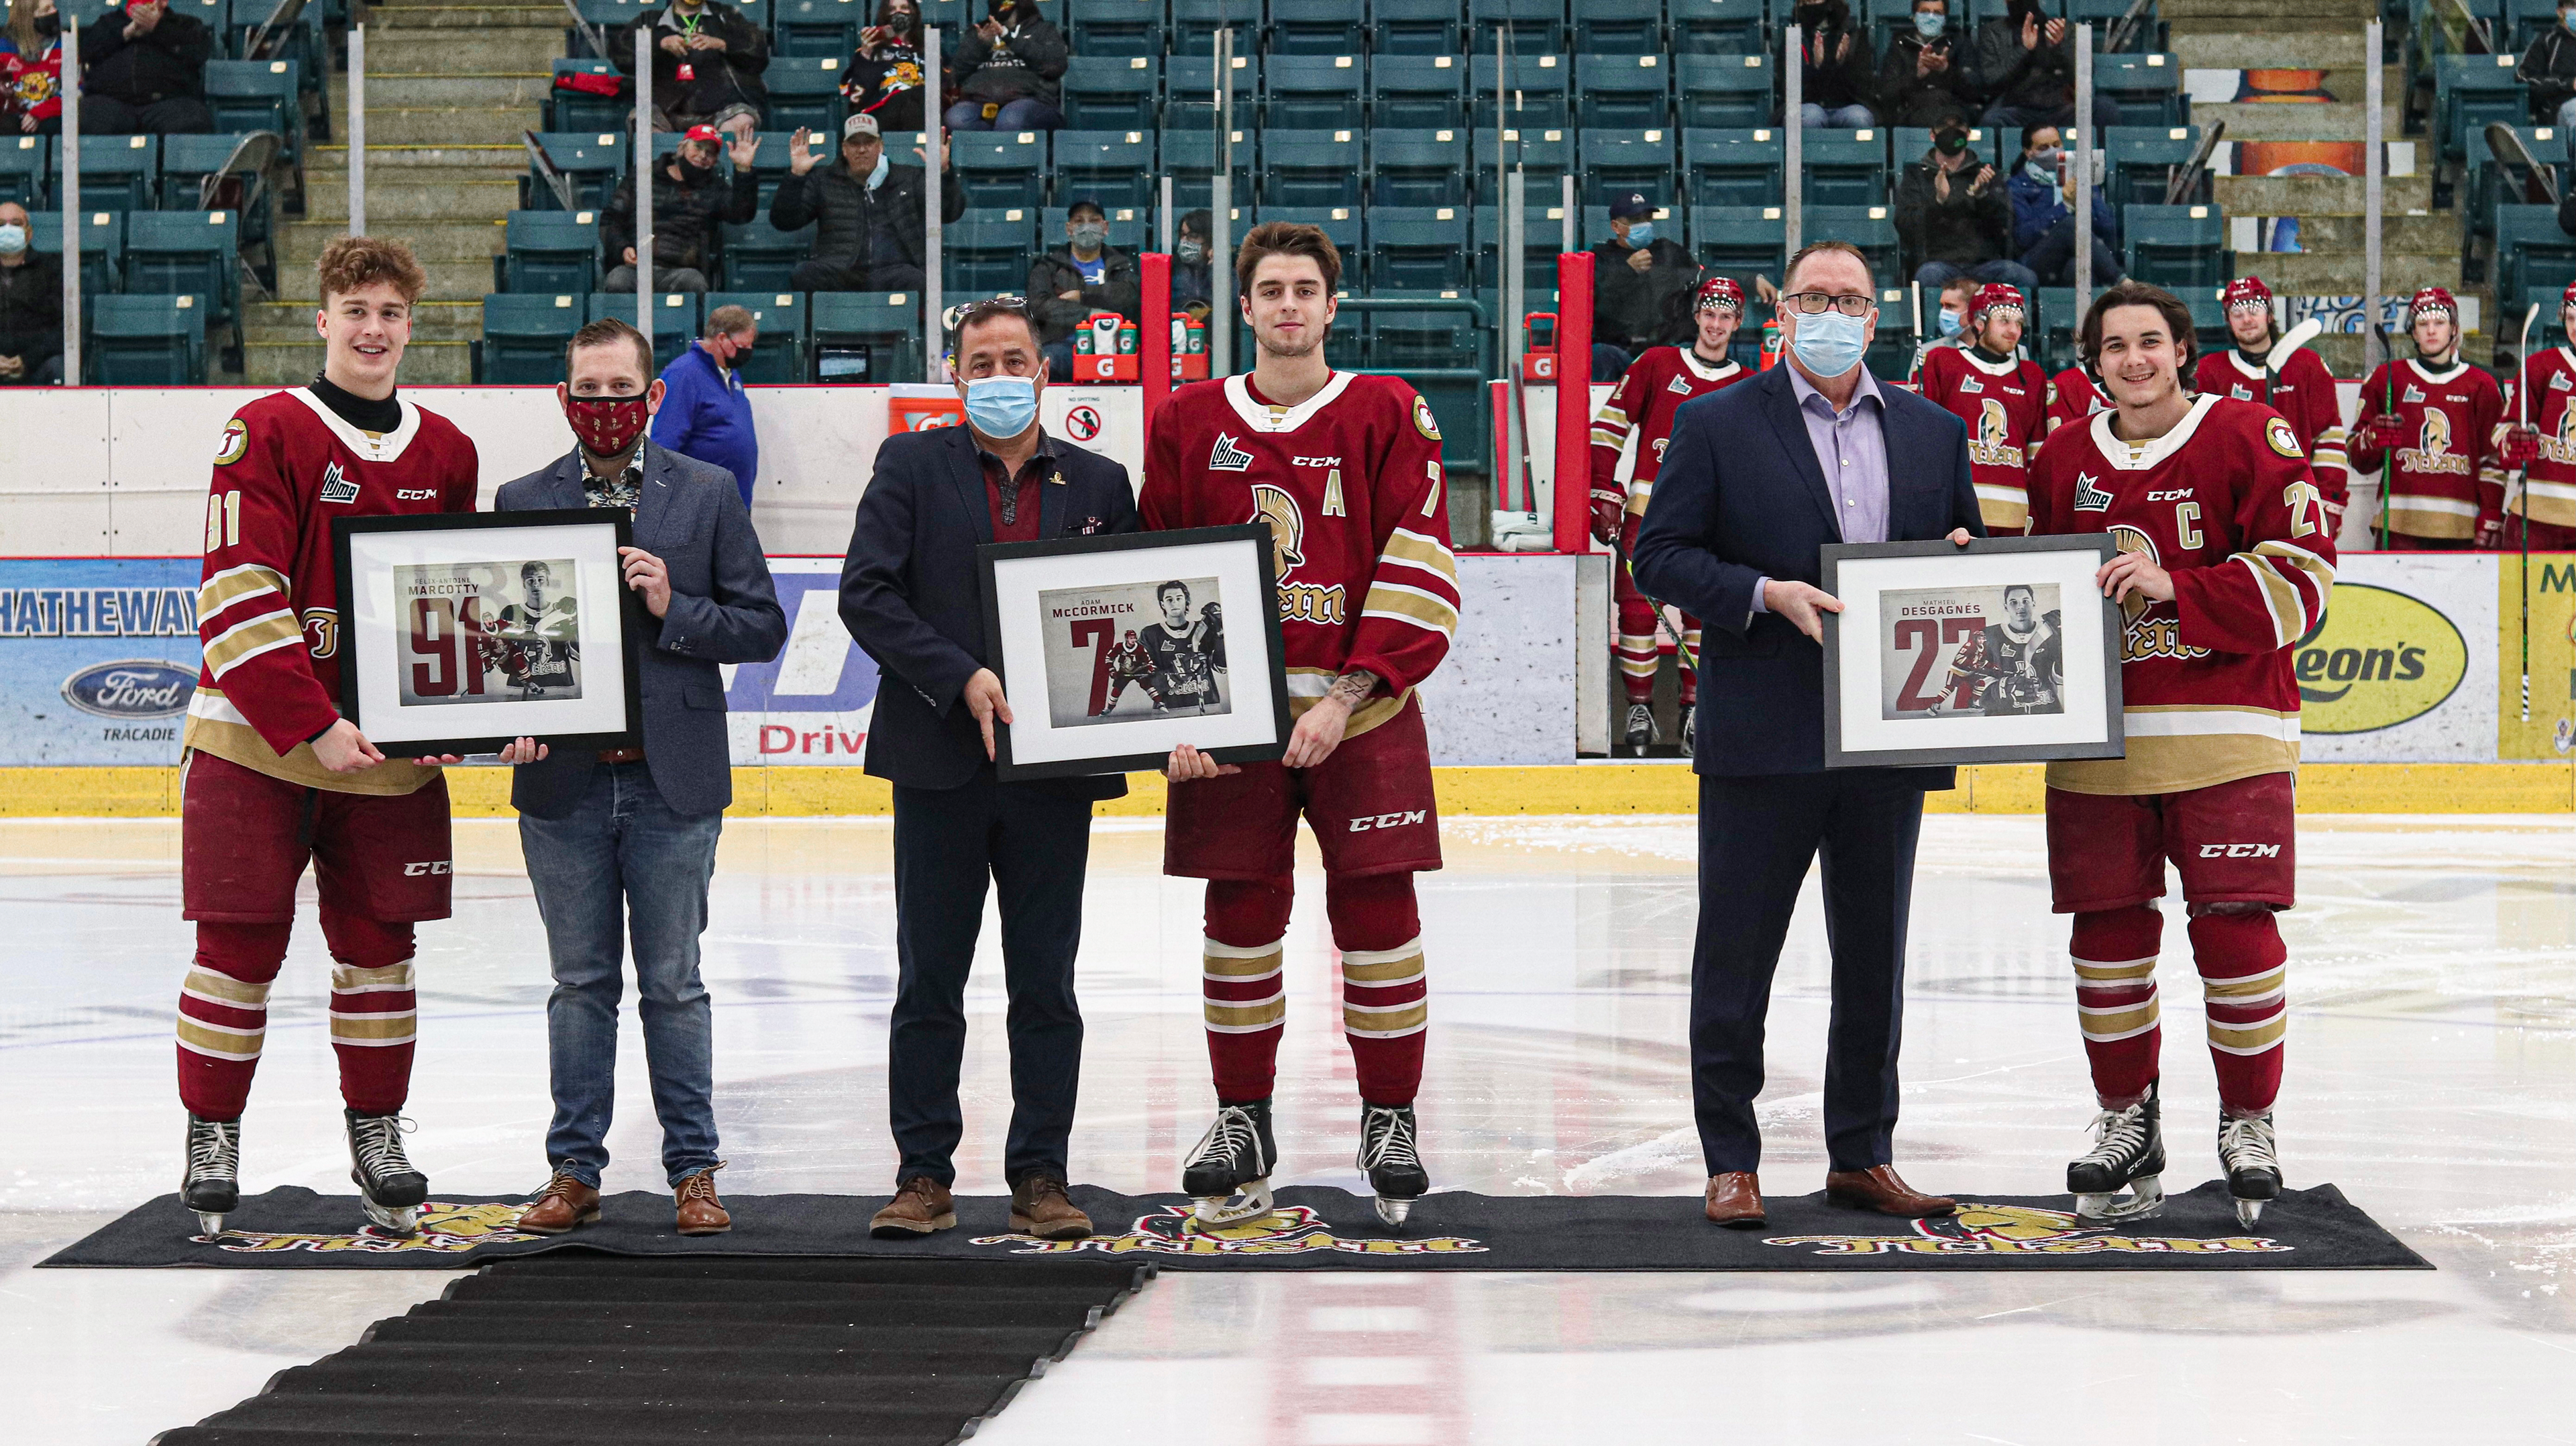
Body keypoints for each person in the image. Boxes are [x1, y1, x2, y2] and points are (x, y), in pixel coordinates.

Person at [1628, 240, 1982, 1231]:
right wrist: (1758, 592)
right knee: (1736, 953)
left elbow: (1963, 548)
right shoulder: (1714, 423)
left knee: (1875, 954)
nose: (1832, 311)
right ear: (1780, 312)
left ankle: (1862, 1152)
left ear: (1877, 319)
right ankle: (1730, 1158)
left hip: (1889, 732)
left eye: (1851, 298)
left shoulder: (1934, 430)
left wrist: (1963, 559)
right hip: (1763, 731)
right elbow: (1657, 555)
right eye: (1813, 295)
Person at [1150, 222, 1460, 1230]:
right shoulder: (1187, 419)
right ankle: (1242, 1115)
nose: (1288, 305)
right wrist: (1176, 713)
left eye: (1305, 290)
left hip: (1362, 714)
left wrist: (1346, 695)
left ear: (1334, 306)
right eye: (1270, 290)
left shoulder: (1387, 410)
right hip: (1230, 724)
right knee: (1238, 919)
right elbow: (1159, 569)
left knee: (1379, 920)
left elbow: (1421, 560)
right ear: (1243, 310)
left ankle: (1390, 1117)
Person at [172, 237, 480, 1239]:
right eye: (356, 309)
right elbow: (234, 586)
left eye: (391, 311)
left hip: (385, 760)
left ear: (410, 324)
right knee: (239, 944)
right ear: (322, 319)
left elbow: (454, 602)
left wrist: (481, 715)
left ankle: (377, 1131)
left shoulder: (448, 449)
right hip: (257, 746)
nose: (374, 328)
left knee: (381, 948)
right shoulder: (265, 428)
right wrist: (312, 719)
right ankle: (212, 1132)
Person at [2027, 279, 2335, 1229]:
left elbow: (2307, 583)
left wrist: (2177, 587)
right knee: (2107, 944)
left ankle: (2249, 1121)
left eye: (2149, 340)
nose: (2133, 359)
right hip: (2097, 746)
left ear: (2180, 347)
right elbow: (2031, 592)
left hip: (2228, 737)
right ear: (2095, 360)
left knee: (2237, 939)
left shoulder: (2251, 434)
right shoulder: (2062, 454)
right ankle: (2129, 1117)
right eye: (2114, 345)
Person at [837, 297, 1138, 1243]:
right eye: (983, 362)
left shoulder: (1101, 481)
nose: (1001, 375)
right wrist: (958, 676)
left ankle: (1041, 1175)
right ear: (957, 375)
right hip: (939, 761)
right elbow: (867, 595)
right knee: (930, 977)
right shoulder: (912, 465)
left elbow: (1125, 617)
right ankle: (923, 1172)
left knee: (1046, 980)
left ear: (1046, 374)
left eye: (1018, 360)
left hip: (1054, 774)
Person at [500, 316, 786, 1241]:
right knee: (580, 982)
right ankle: (572, 1169)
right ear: (565, 397)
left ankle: (693, 1171)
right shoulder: (519, 498)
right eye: (592, 392)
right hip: (564, 785)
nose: (608, 408)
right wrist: (507, 715)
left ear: (653, 395)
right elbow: (494, 644)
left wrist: (676, 604)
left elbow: (761, 626)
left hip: (672, 780)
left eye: (625, 392)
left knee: (674, 983)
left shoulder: (705, 493)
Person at [1589, 276, 1755, 756]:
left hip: (1713, 523)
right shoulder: (1658, 364)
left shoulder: (1747, 386)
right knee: (1638, 612)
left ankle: (1694, 709)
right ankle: (1639, 709)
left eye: (1726, 316)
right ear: (1697, 316)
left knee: (1704, 616)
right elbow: (1609, 425)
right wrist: (1604, 487)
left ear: (1737, 323)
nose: (1716, 324)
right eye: (1709, 313)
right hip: (1649, 512)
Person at [2349, 286, 2506, 548]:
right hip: (2399, 525)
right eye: (2423, 324)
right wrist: (2374, 438)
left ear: (2454, 329)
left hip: (2461, 528)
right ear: (2413, 331)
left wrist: (2490, 514)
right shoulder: (2387, 378)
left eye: (2440, 323)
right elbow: (2357, 456)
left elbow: (2492, 460)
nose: (2431, 331)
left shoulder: (2482, 385)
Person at [2192, 275, 2349, 527]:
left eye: (2254, 308)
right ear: (2227, 320)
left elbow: (2329, 436)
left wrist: (2330, 502)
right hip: (2230, 506)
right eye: (2237, 312)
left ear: (2270, 314)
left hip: (2297, 501)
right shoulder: (2210, 372)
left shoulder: (2307, 365)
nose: (2247, 319)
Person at [771, 112, 963, 293]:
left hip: (893, 271)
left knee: (917, 279)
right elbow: (785, 222)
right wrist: (796, 176)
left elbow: (949, 213)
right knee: (805, 275)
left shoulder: (909, 177)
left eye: (869, 142)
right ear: (844, 149)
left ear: (880, 146)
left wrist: (944, 172)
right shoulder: (824, 180)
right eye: (855, 143)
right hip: (841, 271)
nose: (862, 149)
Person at [1916, 282, 2048, 533]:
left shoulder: (2033, 376)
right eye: (2005, 321)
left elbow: (2037, 456)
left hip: (2016, 518)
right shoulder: (1943, 363)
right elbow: (1926, 442)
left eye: (2019, 323)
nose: (2014, 331)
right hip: (1957, 516)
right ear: (1979, 323)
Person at [604, 125, 759, 294]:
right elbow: (611, 219)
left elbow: (741, 214)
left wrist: (744, 170)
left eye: (711, 153)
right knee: (616, 281)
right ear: (682, 147)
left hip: (681, 272)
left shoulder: (715, 188)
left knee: (694, 283)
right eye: (698, 147)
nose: (702, 156)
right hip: (635, 268)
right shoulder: (643, 176)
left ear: (715, 161)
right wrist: (623, 248)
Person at [1896, 111, 2037, 295]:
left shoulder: (1988, 173)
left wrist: (1982, 196)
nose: (1951, 134)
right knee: (1928, 276)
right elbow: (1906, 226)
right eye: (1945, 129)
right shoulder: (1916, 175)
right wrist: (1938, 200)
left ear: (1968, 135)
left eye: (1958, 130)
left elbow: (2006, 227)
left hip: (1985, 264)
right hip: (1938, 263)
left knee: (2025, 278)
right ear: (1932, 135)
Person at [651, 303, 760, 509]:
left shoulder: (731, 374)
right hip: (700, 507)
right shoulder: (683, 375)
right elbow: (665, 446)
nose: (748, 352)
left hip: (735, 503)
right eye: (743, 347)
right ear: (722, 339)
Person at [614, 0, 768, 141]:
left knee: (742, 121)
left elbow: (759, 54)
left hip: (721, 110)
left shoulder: (726, 17)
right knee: (642, 122)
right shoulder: (649, 20)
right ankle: (661, 169)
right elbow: (619, 53)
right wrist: (659, 43)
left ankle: (730, 170)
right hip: (666, 112)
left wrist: (722, 44)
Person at [2496, 280, 2576, 549]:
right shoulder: (2541, 366)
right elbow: (2503, 433)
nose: (2575, 327)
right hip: (2539, 515)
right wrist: (2515, 441)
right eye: (2571, 318)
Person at [1030, 199, 1142, 380]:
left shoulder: (1121, 263)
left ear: (1105, 227)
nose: (1087, 226)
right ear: (1069, 229)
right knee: (1051, 360)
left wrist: (1082, 296)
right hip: (1064, 346)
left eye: (1094, 221)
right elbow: (1040, 306)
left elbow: (1129, 294)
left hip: (1116, 346)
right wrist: (1089, 313)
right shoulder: (1049, 266)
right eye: (1079, 221)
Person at [1966, 0, 2114, 131]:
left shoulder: (2063, 28)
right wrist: (2024, 50)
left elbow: (2085, 75)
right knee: (1991, 120)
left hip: (2061, 107)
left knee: (2105, 109)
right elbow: (1992, 81)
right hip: (2017, 109)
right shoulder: (1993, 33)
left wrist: (2060, 46)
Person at [1591, 192, 1697, 374]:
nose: (1645, 224)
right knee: (1601, 353)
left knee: (1691, 349)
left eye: (1647, 218)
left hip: (1666, 351)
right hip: (1621, 352)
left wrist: (1752, 280)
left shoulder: (1669, 251)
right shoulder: (1600, 258)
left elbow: (1701, 277)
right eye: (1635, 219)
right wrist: (1627, 271)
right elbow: (1596, 306)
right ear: (1616, 227)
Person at [2008, 124, 2121, 288]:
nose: (2053, 151)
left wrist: (2084, 197)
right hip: (2039, 261)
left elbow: (2106, 227)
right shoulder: (2017, 186)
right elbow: (2024, 237)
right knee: (2068, 224)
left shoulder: (2079, 177)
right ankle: (2119, 281)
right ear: (2028, 152)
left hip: (2082, 257)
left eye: (2056, 145)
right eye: (2043, 148)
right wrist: (2065, 206)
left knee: (2077, 268)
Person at [78, 0, 213, 136]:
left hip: (168, 103)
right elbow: (87, 52)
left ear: (164, 2)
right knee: (88, 116)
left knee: (193, 118)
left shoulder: (184, 24)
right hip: (111, 102)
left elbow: (199, 52)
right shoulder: (108, 23)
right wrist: (125, 33)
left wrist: (158, 28)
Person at [945, 0, 1067, 132]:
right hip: (980, 103)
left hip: (1032, 102)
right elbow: (956, 73)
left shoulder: (1043, 30)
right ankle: (993, 145)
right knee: (956, 119)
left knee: (1011, 119)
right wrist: (981, 46)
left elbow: (1055, 66)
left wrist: (1009, 38)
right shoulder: (979, 32)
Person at [1876, 0, 1973, 127]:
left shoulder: (1959, 43)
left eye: (1938, 13)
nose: (1931, 17)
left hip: (1952, 109)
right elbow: (1888, 94)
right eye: (1925, 12)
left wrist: (1946, 71)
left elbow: (1973, 91)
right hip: (1913, 110)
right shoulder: (1900, 45)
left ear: (1945, 19)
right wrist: (1916, 75)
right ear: (1914, 17)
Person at [1784, 0, 1877, 127]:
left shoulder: (1853, 34)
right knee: (1812, 117)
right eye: (1808, 1)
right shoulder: (1794, 36)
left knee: (1859, 117)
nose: (1814, 4)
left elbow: (1864, 87)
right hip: (1807, 105)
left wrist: (1843, 63)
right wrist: (1814, 67)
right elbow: (1789, 89)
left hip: (1845, 105)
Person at [0, 199, 61, 384]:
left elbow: (65, 328)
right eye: (1, 225)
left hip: (38, 364)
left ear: (29, 233)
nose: (8, 229)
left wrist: (28, 360)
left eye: (17, 224)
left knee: (59, 367)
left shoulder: (51, 269)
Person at [843, 0, 925, 132]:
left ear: (914, 12)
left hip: (921, 110)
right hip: (883, 112)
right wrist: (866, 55)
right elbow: (854, 95)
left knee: (916, 98)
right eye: (892, 9)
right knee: (912, 95)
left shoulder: (927, 48)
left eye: (904, 8)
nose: (898, 13)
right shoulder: (872, 51)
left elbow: (946, 84)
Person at [2, 0, 64, 136]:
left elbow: (75, 91)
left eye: (54, 7)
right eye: (46, 10)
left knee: (52, 125)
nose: (54, 12)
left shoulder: (65, 45)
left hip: (51, 119)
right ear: (28, 18)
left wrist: (39, 113)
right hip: (13, 120)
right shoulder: (4, 49)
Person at [2517, 0, 2576, 132]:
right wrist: (2569, 84)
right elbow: (2524, 77)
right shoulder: (2547, 41)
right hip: (2559, 109)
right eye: (2573, 6)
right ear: (2560, 12)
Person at [1906, 272, 1977, 376]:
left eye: (1950, 306)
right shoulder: (1926, 352)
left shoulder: (2004, 353)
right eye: (1942, 306)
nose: (1943, 313)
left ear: (1973, 310)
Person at [1172, 208, 1214, 317]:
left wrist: (1214, 269)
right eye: (1182, 235)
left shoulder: (1228, 271)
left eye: (1193, 236)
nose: (1185, 241)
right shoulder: (1173, 270)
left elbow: (1233, 302)